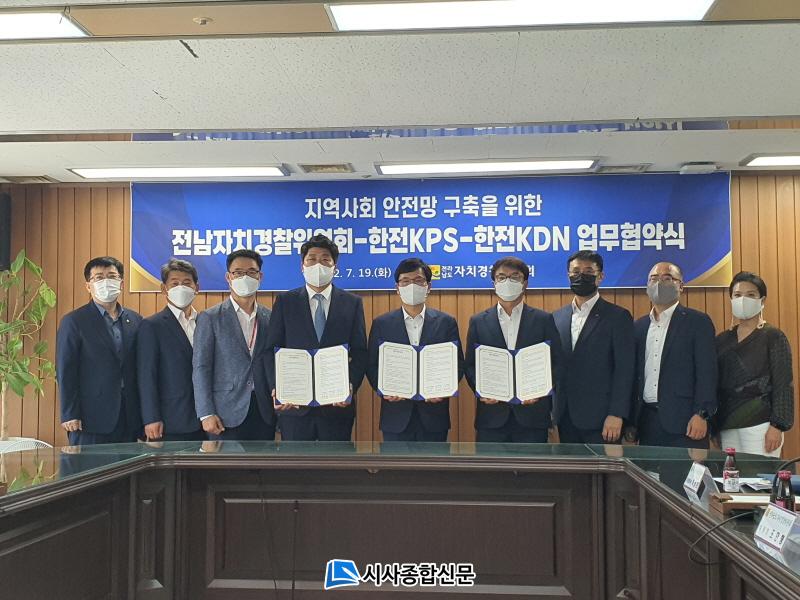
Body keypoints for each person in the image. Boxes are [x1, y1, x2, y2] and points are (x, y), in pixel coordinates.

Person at [265, 234, 368, 441]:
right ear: (302, 266)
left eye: (325, 259)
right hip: (294, 406)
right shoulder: (286, 302)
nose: (318, 265)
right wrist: (277, 387)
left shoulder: (352, 303)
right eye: (311, 259)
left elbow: (360, 352)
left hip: (336, 407)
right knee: (296, 461)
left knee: (336, 461)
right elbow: (270, 350)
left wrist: (350, 385)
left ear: (334, 266)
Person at [465, 256, 562, 443]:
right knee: (491, 463)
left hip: (533, 417)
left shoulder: (543, 320)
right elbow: (470, 365)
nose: (507, 282)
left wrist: (541, 390)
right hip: (491, 418)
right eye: (501, 277)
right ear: (494, 283)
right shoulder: (478, 321)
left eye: (515, 277)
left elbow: (557, 363)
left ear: (525, 283)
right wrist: (481, 389)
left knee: (533, 463)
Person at [367, 258, 463, 441]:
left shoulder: (446, 323)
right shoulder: (382, 324)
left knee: (434, 460)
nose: (412, 286)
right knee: (396, 461)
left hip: (434, 415)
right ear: (397, 288)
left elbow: (457, 364)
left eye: (418, 281)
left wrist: (444, 388)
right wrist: (384, 389)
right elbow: (372, 365)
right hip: (395, 416)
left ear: (428, 286)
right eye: (405, 281)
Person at [56, 256, 143, 445]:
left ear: (121, 283)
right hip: (89, 419)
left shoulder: (136, 320)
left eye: (111, 276)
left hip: (128, 417)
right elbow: (65, 370)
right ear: (88, 286)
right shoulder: (74, 321)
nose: (106, 282)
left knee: (129, 465)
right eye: (99, 277)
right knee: (90, 464)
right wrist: (69, 413)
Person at [631, 262, 717, 448]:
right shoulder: (639, 327)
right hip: (647, 422)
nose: (659, 283)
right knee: (647, 469)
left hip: (687, 422)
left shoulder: (698, 322)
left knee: (687, 469)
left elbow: (707, 372)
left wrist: (702, 414)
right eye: (654, 279)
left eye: (667, 278)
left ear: (681, 286)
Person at [552, 250, 634, 444]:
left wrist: (617, 413)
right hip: (565, 416)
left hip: (603, 419)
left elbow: (625, 370)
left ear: (600, 276)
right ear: (568, 275)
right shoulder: (557, 317)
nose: (581, 276)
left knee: (604, 466)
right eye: (576, 271)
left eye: (588, 271)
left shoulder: (618, 317)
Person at [192, 249, 275, 440]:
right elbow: (201, 367)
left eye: (251, 272)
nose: (245, 277)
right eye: (238, 272)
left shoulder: (270, 317)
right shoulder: (210, 318)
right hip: (225, 413)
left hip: (264, 410)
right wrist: (206, 413)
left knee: (264, 460)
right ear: (228, 277)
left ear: (260, 277)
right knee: (227, 461)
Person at [715, 271, 794, 456]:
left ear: (762, 300)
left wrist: (777, 425)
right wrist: (714, 425)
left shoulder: (773, 336)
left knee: (761, 474)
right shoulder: (722, 340)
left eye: (750, 295)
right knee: (731, 473)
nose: (743, 299)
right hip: (727, 424)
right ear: (731, 299)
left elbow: (783, 383)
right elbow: (715, 384)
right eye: (737, 295)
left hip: (762, 425)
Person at [137, 258, 204, 441]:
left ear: (197, 288)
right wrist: (151, 417)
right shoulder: (152, 326)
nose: (181, 288)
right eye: (174, 283)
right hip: (170, 420)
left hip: (207, 420)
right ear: (164, 289)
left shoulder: (206, 322)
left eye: (187, 283)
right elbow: (147, 375)